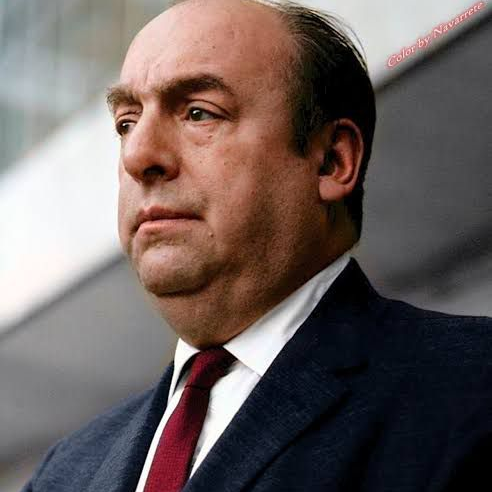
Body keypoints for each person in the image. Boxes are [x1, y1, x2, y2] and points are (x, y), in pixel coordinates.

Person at [23, 0, 492, 491]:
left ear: (331, 161)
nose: (138, 155)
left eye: (199, 113)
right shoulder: (64, 472)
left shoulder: (470, 386)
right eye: (126, 123)